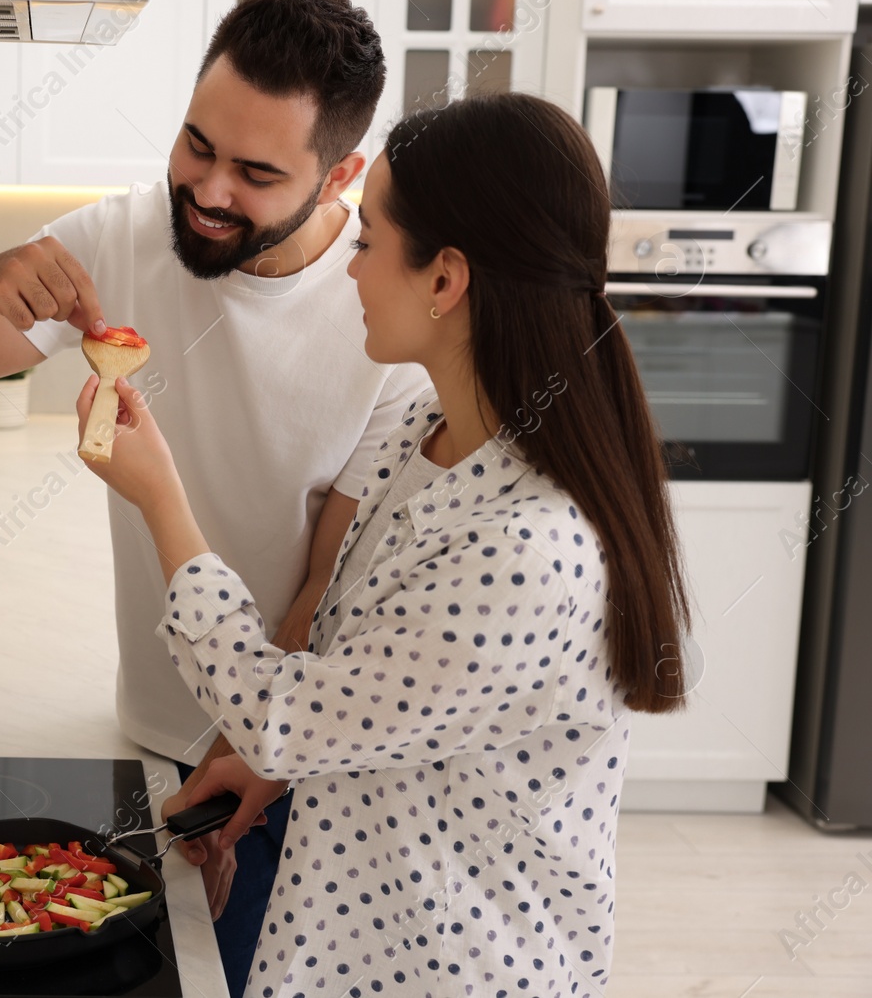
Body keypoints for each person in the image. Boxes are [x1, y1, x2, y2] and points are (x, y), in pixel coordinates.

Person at [0, 0, 431, 995]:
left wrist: (243, 756)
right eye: (195, 144)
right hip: (150, 736)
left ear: (340, 172)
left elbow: (322, 592)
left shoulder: (379, 314)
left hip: (285, 758)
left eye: (255, 172)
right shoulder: (115, 240)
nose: (207, 189)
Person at [73, 92, 691, 997]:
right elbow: (363, 684)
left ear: (445, 280)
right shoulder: (428, 438)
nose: (350, 271)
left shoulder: (527, 549)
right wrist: (273, 768)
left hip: (455, 968)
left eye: (364, 242)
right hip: (356, 933)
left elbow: (282, 707)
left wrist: (160, 498)